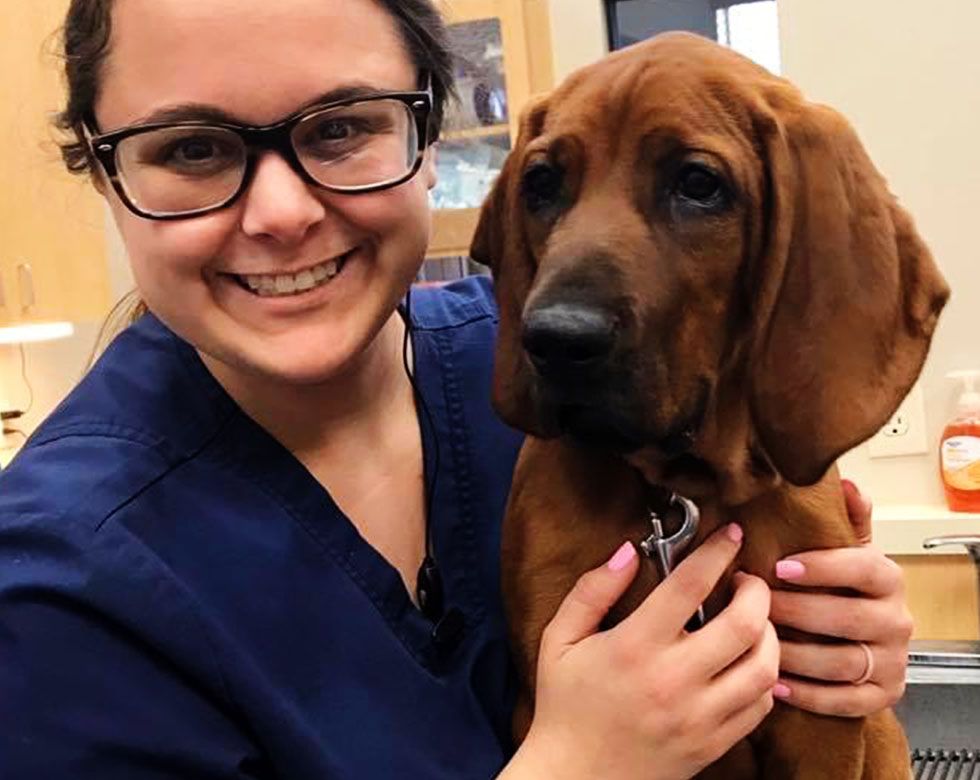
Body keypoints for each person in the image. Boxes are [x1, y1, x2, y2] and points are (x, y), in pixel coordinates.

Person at [0, 0, 912, 777]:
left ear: (430, 140)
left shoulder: (542, 362)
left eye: (342, 126)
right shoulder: (59, 591)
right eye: (194, 148)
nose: (280, 214)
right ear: (104, 172)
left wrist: (852, 655)